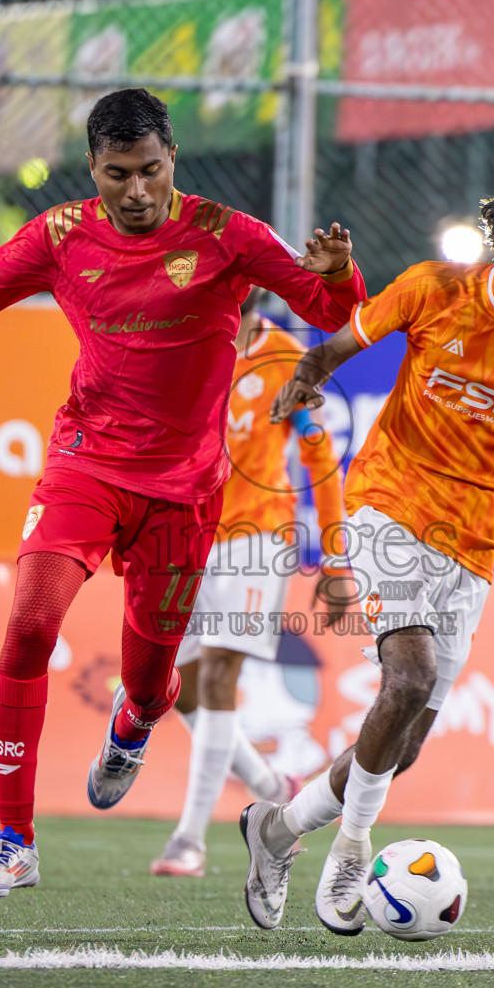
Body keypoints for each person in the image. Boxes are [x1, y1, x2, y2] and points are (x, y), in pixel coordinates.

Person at [0, 88, 366, 899]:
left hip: (185, 496)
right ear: (93, 167)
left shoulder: (229, 235)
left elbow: (332, 310)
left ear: (172, 162)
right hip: (86, 464)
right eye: (117, 173)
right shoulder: (59, 235)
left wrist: (340, 274)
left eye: (150, 171)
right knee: (30, 623)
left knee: (155, 683)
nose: (135, 191)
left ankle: (133, 723)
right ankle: (14, 839)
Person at [240, 155, 494, 934]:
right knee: (411, 673)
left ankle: (276, 831)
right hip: (386, 502)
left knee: (404, 740)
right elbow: (335, 345)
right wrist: (306, 376)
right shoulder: (435, 289)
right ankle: (353, 849)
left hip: (471, 542)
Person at [148, 290, 350, 878]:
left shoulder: (288, 359)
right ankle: (267, 782)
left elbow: (319, 458)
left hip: (257, 538)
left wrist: (336, 562)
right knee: (171, 686)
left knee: (218, 675)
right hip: (185, 536)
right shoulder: (178, 348)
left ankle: (189, 840)